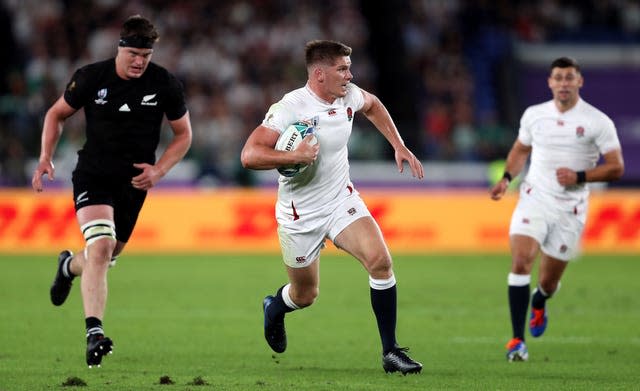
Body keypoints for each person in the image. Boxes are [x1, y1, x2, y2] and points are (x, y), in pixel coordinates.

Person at [241, 40, 424, 374]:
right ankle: (275, 308)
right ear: (319, 73)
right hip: (300, 214)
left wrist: (399, 145)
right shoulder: (289, 108)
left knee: (381, 263)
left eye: (349, 68)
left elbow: (373, 105)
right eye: (342, 69)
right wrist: (292, 156)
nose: (349, 75)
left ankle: (391, 351)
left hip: (341, 200)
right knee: (305, 294)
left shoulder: (349, 94)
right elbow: (249, 155)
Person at [31, 15, 192, 367]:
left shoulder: (164, 83)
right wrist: (45, 157)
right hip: (94, 175)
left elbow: (184, 135)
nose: (139, 62)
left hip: (134, 185)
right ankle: (94, 333)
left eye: (145, 56)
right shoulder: (91, 77)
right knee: (101, 247)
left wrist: (160, 170)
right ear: (120, 49)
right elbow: (55, 115)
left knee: (102, 257)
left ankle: (68, 267)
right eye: (133, 53)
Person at [490, 57, 624, 362]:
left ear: (579, 81)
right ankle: (516, 340)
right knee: (521, 261)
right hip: (534, 198)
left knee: (548, 282)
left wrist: (579, 177)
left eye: (569, 78)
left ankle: (540, 300)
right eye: (558, 78)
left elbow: (616, 168)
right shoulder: (535, 115)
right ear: (550, 82)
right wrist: (507, 178)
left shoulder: (597, 121)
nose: (563, 83)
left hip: (570, 209)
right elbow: (521, 149)